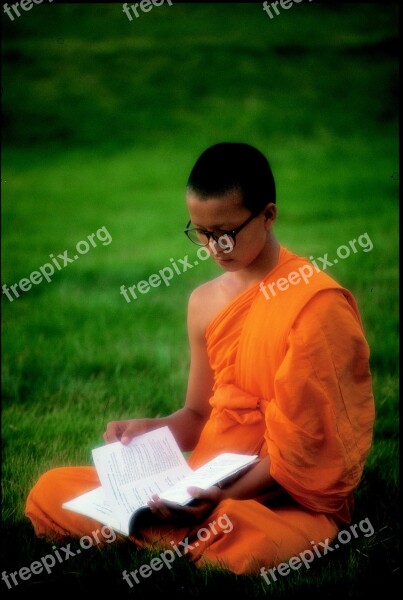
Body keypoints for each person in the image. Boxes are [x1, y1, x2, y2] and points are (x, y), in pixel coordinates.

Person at [25, 142, 375, 576]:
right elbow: (197, 413)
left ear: (268, 215)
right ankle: (176, 529)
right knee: (51, 488)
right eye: (201, 233)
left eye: (225, 232)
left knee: (244, 536)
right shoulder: (204, 302)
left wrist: (224, 497)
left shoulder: (316, 305)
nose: (214, 246)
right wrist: (149, 430)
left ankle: (165, 531)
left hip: (279, 498)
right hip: (197, 482)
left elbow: (311, 448)